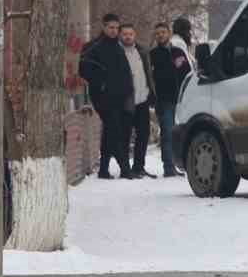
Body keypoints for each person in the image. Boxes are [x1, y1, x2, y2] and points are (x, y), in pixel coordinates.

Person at [78, 13, 133, 179]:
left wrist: (127, 90)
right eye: (111, 27)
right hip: (103, 97)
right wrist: (101, 84)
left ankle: (103, 169)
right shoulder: (93, 46)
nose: (114, 31)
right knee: (114, 130)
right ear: (104, 27)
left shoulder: (117, 46)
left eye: (117, 28)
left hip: (119, 97)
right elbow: (84, 70)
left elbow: (123, 72)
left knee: (110, 131)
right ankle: (125, 168)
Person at [149, 20, 191, 177]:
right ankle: (168, 166)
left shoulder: (178, 53)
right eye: (158, 33)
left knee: (179, 133)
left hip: (180, 100)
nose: (160, 36)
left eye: (163, 33)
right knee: (167, 133)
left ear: (169, 34)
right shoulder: (152, 55)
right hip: (163, 100)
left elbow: (186, 72)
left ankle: (178, 164)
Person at [121, 24, 156, 178]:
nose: (128, 36)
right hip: (125, 100)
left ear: (135, 35)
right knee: (125, 135)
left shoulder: (142, 51)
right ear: (121, 36)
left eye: (130, 34)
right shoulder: (118, 52)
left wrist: (151, 92)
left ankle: (139, 166)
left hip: (143, 98)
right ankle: (125, 168)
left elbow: (148, 72)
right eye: (125, 34)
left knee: (143, 134)